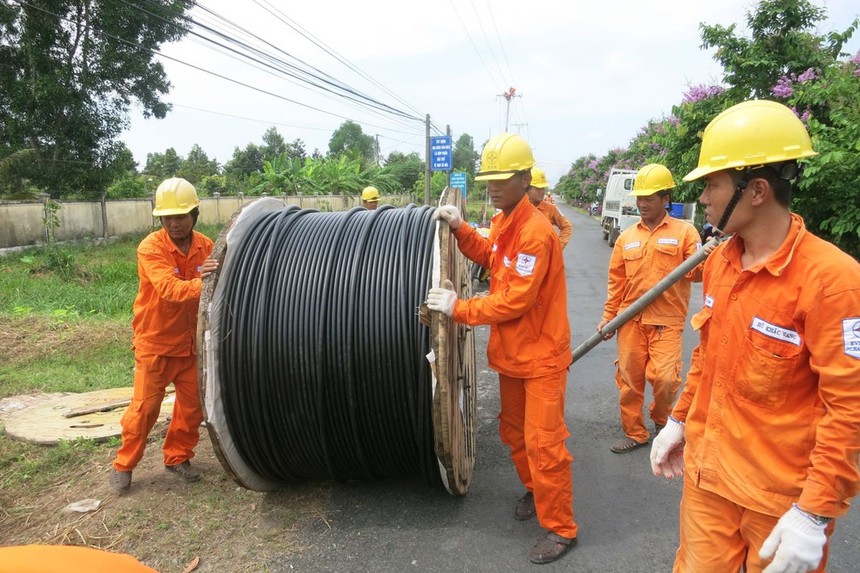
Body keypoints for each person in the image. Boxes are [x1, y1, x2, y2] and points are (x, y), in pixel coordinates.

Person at [650, 99, 860, 572]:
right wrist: (680, 421)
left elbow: (848, 408)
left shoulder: (833, 281)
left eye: (712, 184)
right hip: (708, 481)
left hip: (780, 500)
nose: (703, 198)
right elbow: (707, 357)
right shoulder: (722, 263)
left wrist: (814, 511)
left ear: (757, 189)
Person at [427, 133, 577, 564]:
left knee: (545, 443)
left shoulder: (536, 234)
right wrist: (460, 229)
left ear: (525, 178)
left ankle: (561, 527)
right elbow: (491, 256)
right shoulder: (505, 222)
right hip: (514, 355)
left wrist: (460, 307)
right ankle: (536, 490)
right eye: (487, 178)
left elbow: (515, 301)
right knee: (514, 433)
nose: (492, 186)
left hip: (542, 357)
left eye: (501, 178)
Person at [109, 177, 217, 492]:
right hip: (155, 344)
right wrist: (205, 283)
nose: (173, 223)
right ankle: (123, 464)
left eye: (180, 216)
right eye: (167, 217)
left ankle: (177, 457)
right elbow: (170, 290)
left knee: (193, 405)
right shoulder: (151, 247)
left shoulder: (205, 246)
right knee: (143, 410)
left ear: (194, 214)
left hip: (190, 344)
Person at [597, 164, 703, 454]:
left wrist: (708, 256)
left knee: (666, 379)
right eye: (639, 198)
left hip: (667, 320)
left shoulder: (686, 233)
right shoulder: (626, 237)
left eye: (649, 198)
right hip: (630, 320)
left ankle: (660, 419)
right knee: (630, 382)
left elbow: (700, 274)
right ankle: (635, 432)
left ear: (665, 198)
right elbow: (616, 282)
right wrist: (609, 318)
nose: (642, 203)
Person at [528, 167, 573, 249]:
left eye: (543, 188)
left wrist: (558, 247)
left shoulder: (550, 208)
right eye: (538, 188)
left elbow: (567, 226)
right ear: (527, 188)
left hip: (544, 258)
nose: (542, 191)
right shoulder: (516, 208)